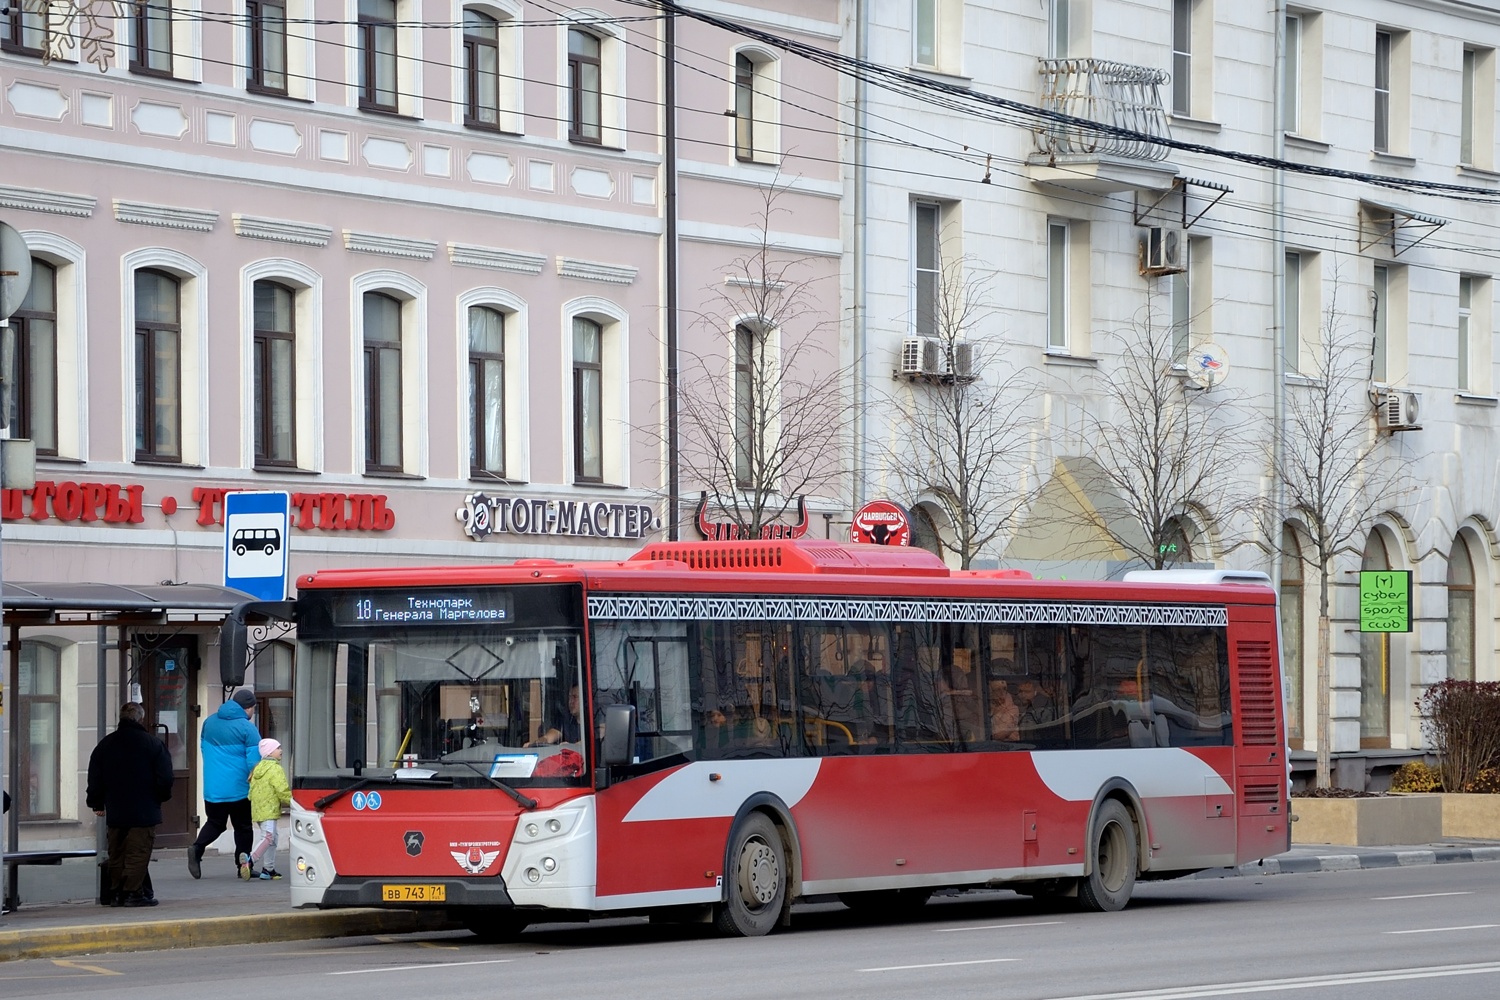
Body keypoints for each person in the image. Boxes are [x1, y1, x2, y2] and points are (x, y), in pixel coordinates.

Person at [85, 702, 173, 907]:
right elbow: (166, 778)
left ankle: (116, 893)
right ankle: (133, 893)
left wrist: (96, 802)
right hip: (144, 809)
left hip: (116, 809)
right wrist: (159, 797)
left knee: (117, 851)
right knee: (138, 852)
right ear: (140, 718)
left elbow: (95, 777)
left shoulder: (106, 744)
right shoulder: (152, 744)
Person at [188, 688, 262, 880]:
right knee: (243, 827)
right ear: (248, 708)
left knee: (215, 822)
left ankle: (197, 848)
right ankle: (242, 866)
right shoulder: (247, 728)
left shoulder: (209, 721)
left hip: (213, 787)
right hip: (239, 788)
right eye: (253, 708)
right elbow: (254, 762)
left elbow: (204, 747)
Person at [246, 738, 291, 880]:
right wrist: (294, 802)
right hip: (269, 809)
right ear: (270, 752)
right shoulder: (275, 769)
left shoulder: (257, 768)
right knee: (268, 837)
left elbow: (251, 792)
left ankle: (268, 869)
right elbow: (282, 790)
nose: (281, 750)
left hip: (258, 809)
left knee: (272, 838)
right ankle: (250, 861)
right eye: (278, 748)